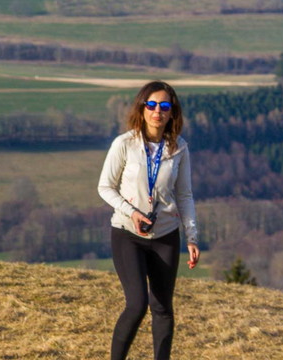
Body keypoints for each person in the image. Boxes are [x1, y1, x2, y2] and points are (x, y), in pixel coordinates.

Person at [97, 80, 199, 360]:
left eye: (165, 106)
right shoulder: (125, 144)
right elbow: (105, 187)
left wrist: (192, 236)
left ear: (172, 112)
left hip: (166, 234)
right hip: (127, 233)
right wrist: (132, 212)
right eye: (151, 105)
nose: (158, 111)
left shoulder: (179, 148)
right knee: (137, 303)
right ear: (142, 108)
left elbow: (185, 195)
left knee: (163, 307)